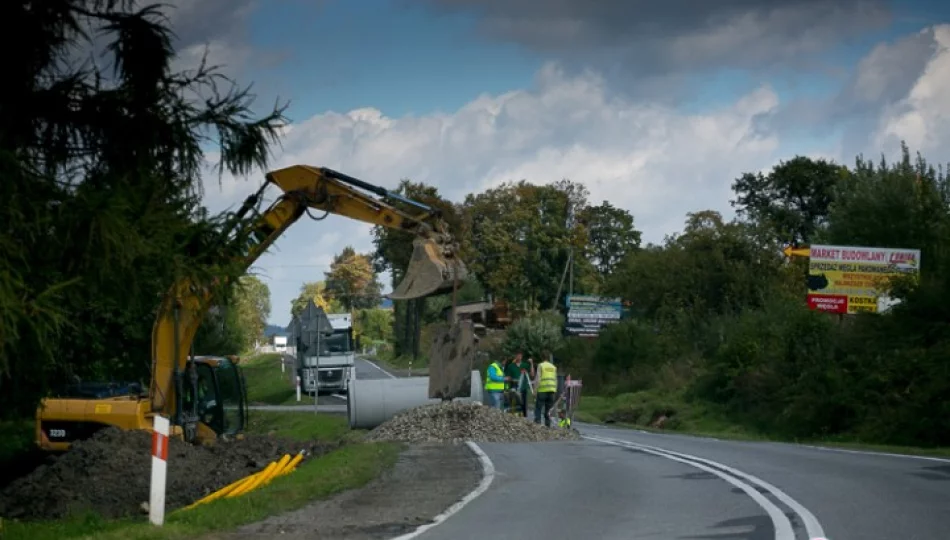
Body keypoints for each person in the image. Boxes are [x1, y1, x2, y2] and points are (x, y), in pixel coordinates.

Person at [503, 351, 534, 417]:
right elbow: (507, 377)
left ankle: (524, 418)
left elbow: (532, 374)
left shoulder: (525, 365)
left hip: (523, 388)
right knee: (514, 404)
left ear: (522, 356)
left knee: (524, 404)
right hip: (514, 388)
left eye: (520, 355)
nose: (519, 357)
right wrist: (513, 380)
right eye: (517, 355)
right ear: (515, 356)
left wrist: (531, 363)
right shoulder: (511, 366)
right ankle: (513, 417)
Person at [533, 350, 557, 426]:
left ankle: (538, 422)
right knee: (548, 409)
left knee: (538, 407)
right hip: (551, 391)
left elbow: (538, 379)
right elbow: (555, 379)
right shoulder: (553, 367)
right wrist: (555, 390)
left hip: (542, 390)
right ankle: (547, 425)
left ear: (541, 357)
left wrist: (535, 391)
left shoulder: (541, 366)